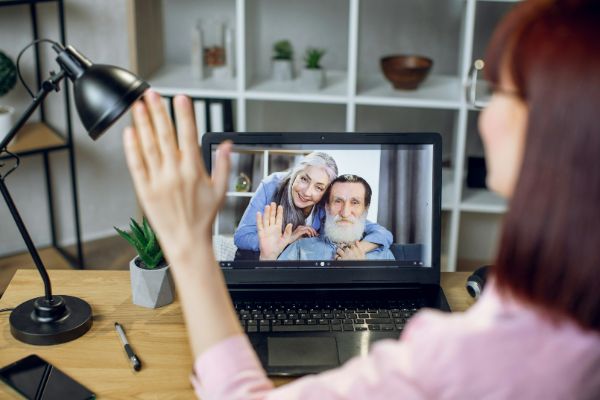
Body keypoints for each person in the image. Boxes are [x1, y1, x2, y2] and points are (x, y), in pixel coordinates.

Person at [122, 0, 600, 398]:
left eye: (500, 91)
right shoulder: (277, 198)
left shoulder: (455, 349)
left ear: (554, 125)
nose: (484, 116)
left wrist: (186, 245)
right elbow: (251, 241)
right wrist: (272, 251)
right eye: (329, 196)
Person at [233, 152, 393, 257]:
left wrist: (358, 251)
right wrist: (286, 240)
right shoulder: (272, 185)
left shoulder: (328, 207)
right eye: (304, 179)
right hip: (257, 259)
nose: (307, 192)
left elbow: (382, 233)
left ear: (325, 194)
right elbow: (241, 236)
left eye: (319, 187)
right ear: (296, 174)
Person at [258, 174, 395, 261]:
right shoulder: (300, 248)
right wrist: (267, 258)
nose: (345, 213)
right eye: (337, 201)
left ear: (365, 209)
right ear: (326, 206)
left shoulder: (383, 254)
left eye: (355, 202)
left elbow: (392, 300)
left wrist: (362, 270)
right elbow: (271, 295)